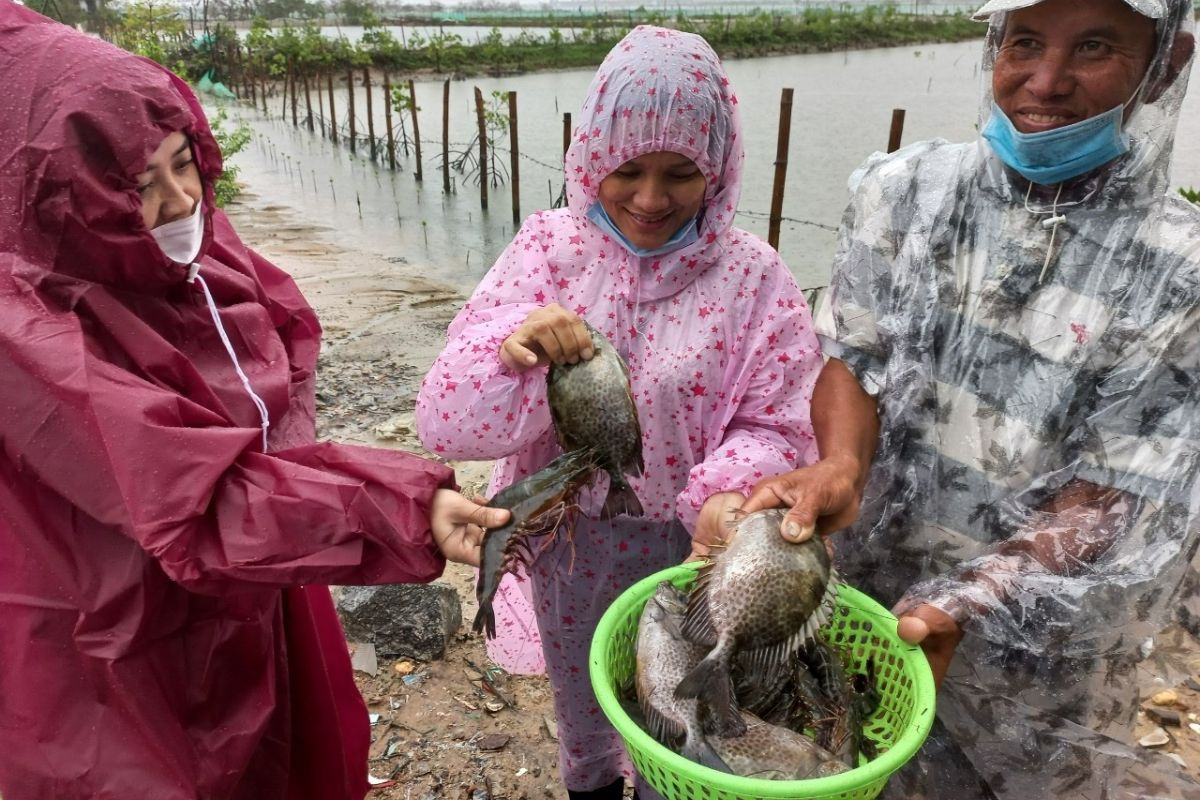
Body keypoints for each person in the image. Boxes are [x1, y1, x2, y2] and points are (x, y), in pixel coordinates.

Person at [0, 7, 509, 800]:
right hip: (114, 632)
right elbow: (187, 497)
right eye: (138, 186)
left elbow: (280, 347)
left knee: (285, 752)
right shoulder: (33, 331)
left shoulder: (180, 252)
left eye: (184, 164)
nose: (179, 202)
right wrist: (402, 506)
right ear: (64, 199)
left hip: (254, 571)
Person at [742, 0, 1200, 796]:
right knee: (845, 759)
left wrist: (979, 594)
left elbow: (1127, 483)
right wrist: (844, 464)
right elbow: (855, 353)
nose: (1046, 82)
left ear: (1167, 61)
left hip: (1041, 651)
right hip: (865, 598)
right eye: (1024, 42)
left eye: (1094, 47)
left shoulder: (1179, 269)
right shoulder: (907, 192)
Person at [416, 25, 823, 798]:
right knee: (585, 706)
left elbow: (778, 422)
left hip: (698, 548)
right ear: (591, 157)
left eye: (680, 174)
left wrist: (722, 496)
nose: (649, 198)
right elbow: (443, 422)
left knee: (681, 706)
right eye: (627, 169)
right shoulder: (546, 253)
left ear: (719, 169)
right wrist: (510, 352)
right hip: (569, 544)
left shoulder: (756, 279)